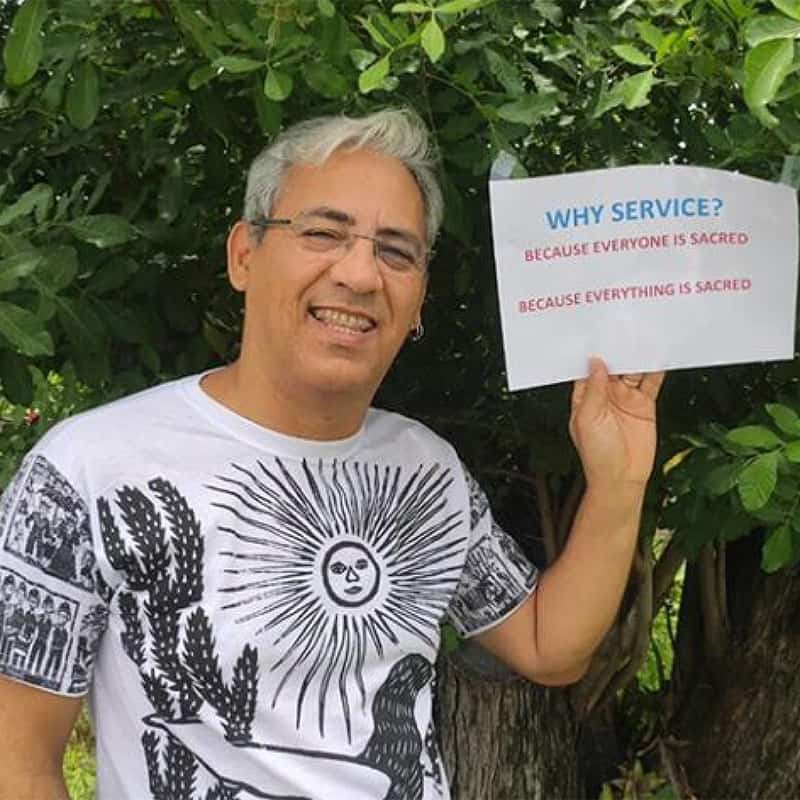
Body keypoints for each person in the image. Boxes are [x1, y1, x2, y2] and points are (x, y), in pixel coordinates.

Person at [0, 108, 663, 800]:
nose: (360, 273)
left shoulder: (428, 472)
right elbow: (15, 762)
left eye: (396, 251)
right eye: (324, 232)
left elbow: (545, 645)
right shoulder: (87, 470)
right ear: (244, 255)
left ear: (418, 300)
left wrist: (619, 479)